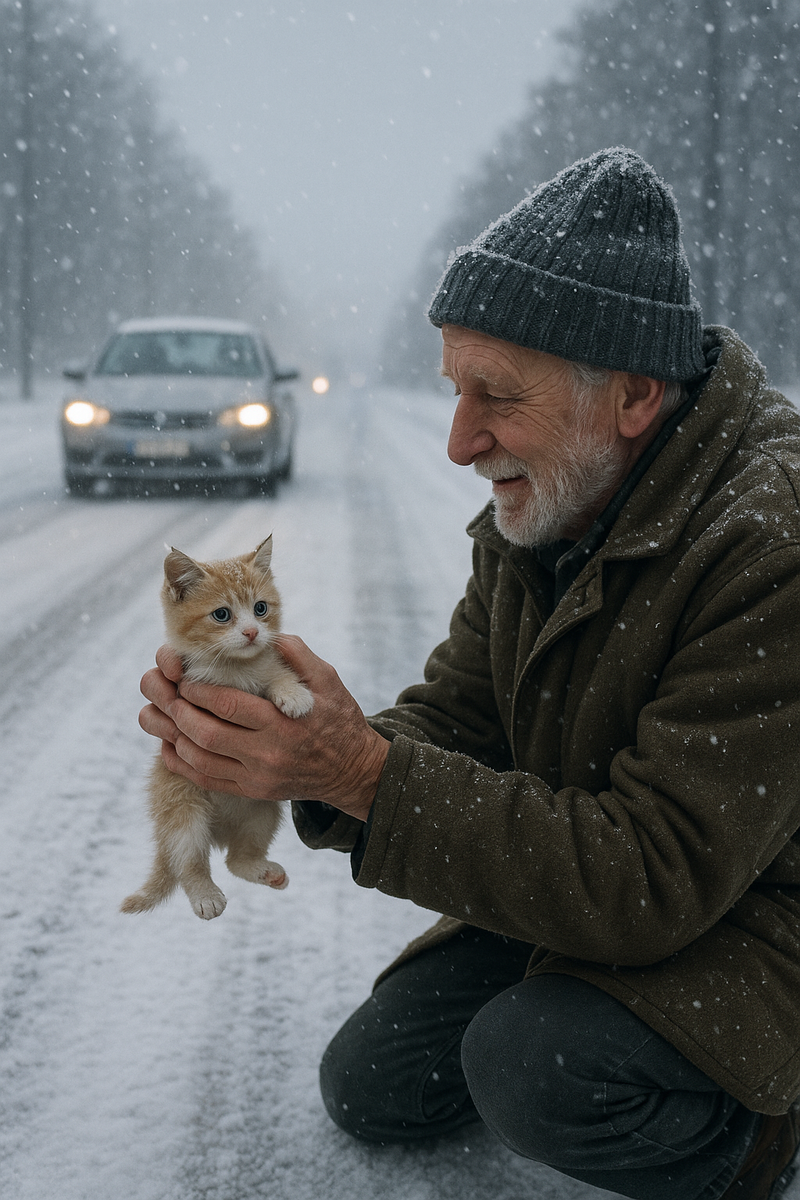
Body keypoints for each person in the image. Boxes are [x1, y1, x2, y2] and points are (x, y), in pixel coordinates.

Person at [139, 148, 800, 1200]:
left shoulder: (769, 544)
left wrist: (359, 774)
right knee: (374, 1088)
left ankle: (760, 1134)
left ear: (630, 395)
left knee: (532, 1070)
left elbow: (656, 874)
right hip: (599, 889)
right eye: (453, 389)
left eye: (494, 395)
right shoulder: (552, 502)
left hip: (750, 914)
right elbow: (461, 714)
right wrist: (295, 756)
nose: (458, 441)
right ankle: (586, 992)